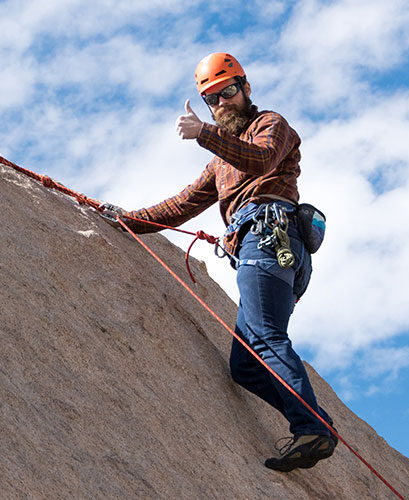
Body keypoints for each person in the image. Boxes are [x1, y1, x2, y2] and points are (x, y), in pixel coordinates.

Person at [99, 52, 337, 472]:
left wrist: (203, 133)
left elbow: (261, 158)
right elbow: (183, 204)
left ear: (246, 88)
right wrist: (126, 220)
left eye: (228, 91)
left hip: (269, 235)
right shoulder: (221, 162)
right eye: (213, 98)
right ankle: (313, 421)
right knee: (245, 365)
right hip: (265, 249)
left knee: (264, 337)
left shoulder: (271, 125)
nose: (222, 102)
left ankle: (311, 424)